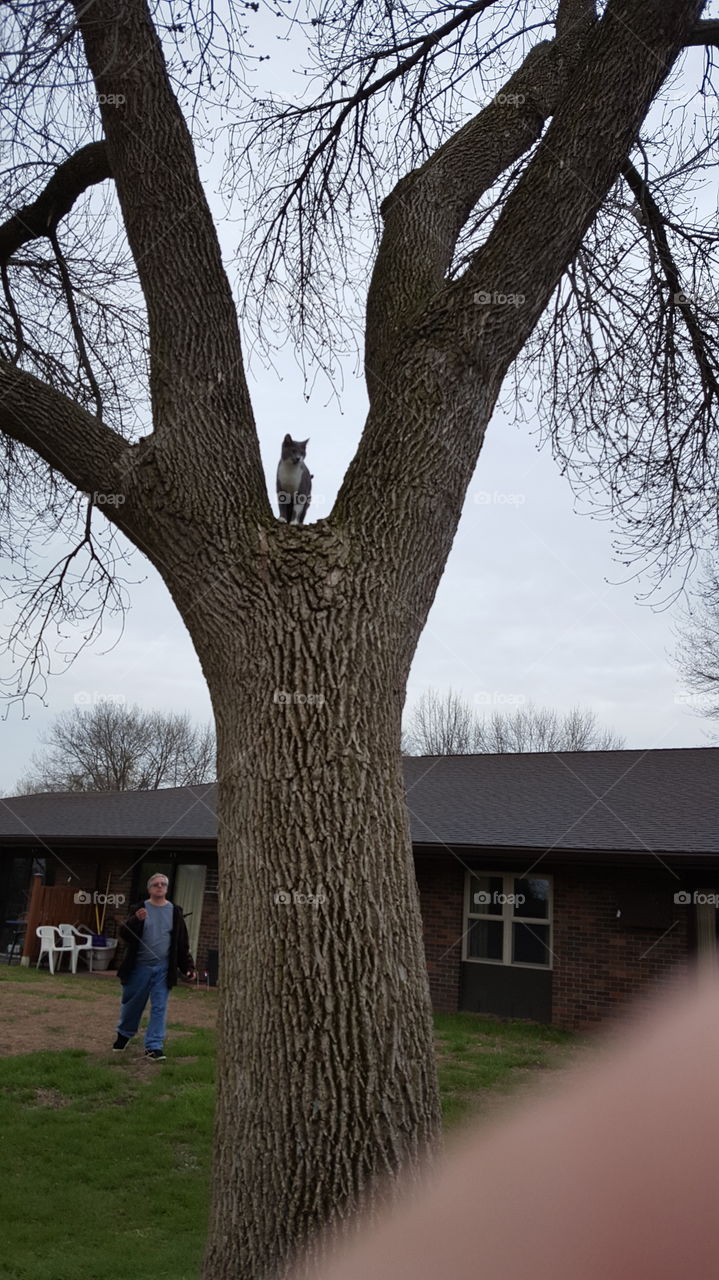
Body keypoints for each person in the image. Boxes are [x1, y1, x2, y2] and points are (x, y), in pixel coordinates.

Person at [112, 872, 195, 1060]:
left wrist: (188, 967)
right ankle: (124, 1034)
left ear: (166, 889)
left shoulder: (175, 912)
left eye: (163, 884)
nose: (160, 886)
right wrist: (135, 921)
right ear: (149, 889)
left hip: (164, 968)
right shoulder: (139, 909)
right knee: (132, 1004)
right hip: (139, 967)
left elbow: (181, 943)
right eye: (156, 884)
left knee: (159, 1007)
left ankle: (154, 1046)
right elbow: (124, 934)